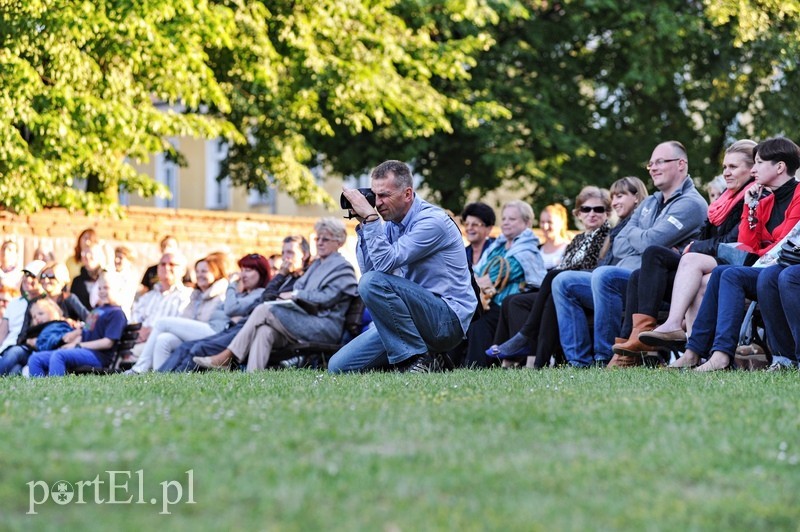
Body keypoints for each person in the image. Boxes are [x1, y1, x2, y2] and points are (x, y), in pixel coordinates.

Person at [551, 141, 708, 367]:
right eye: (650, 164)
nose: (653, 168)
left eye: (660, 162)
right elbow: (620, 245)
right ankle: (578, 361)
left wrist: (640, 235)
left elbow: (652, 243)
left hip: (659, 286)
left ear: (681, 164)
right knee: (562, 281)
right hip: (629, 274)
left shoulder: (691, 203)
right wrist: (644, 236)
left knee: (604, 275)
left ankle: (605, 356)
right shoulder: (650, 202)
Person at [613, 139, 757, 366]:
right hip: (708, 259)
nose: (726, 173)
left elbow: (733, 242)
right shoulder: (723, 201)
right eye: (724, 167)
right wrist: (695, 246)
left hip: (735, 261)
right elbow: (618, 245)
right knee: (639, 275)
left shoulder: (751, 198)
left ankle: (671, 330)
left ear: (752, 169)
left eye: (733, 167)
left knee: (654, 253)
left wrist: (692, 247)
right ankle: (631, 346)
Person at [328, 160, 477, 373]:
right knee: (339, 367)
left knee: (371, 283)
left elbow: (383, 266)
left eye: (384, 195)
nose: (377, 203)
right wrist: (363, 225)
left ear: (407, 194)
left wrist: (371, 221)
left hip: (447, 321)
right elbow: (371, 271)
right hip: (410, 319)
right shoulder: (389, 225)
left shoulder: (432, 221)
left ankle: (417, 359)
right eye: (374, 195)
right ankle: (432, 359)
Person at [671, 136, 800, 371]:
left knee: (756, 275)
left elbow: (785, 241)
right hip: (766, 265)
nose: (754, 169)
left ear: (780, 167)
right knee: (724, 273)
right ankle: (702, 352)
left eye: (759, 162)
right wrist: (750, 209)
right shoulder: (765, 200)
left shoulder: (798, 195)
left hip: (781, 265)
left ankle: (782, 357)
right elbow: (747, 244)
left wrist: (761, 253)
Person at [193, 218, 358, 371]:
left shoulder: (343, 267)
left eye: (325, 239)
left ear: (339, 241)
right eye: (317, 239)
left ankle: (227, 357)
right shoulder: (316, 265)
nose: (320, 243)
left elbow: (326, 298)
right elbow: (299, 289)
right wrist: (290, 294)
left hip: (323, 326)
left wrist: (295, 294)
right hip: (303, 319)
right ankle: (253, 379)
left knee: (264, 310)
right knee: (265, 330)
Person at [486, 185, 617, 367]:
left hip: (585, 290)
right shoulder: (578, 239)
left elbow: (595, 271)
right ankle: (503, 358)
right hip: (560, 286)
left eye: (598, 209)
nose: (592, 213)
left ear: (607, 213)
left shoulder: (607, 236)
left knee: (552, 285)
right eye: (586, 209)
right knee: (513, 301)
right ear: (578, 214)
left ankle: (536, 359)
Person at [158, 239, 308, 373]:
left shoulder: (272, 286)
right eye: (283, 252)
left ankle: (171, 379)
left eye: (248, 270)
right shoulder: (277, 282)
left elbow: (242, 306)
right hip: (236, 329)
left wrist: (232, 284)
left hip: (266, 329)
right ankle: (163, 378)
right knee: (185, 346)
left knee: (196, 347)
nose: (243, 275)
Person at [461, 200, 546, 368]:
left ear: (527, 223)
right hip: (491, 303)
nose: (506, 222)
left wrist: (479, 281)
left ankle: (476, 366)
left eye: (512, 219)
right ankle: (454, 364)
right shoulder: (498, 247)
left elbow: (491, 276)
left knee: (478, 322)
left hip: (509, 305)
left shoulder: (526, 250)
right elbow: (480, 275)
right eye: (504, 218)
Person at [126, 253, 231, 374]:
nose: (200, 275)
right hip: (195, 334)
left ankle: (139, 368)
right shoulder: (197, 295)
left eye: (204, 271)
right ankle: (160, 377)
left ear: (216, 273)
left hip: (214, 334)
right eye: (197, 271)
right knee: (163, 339)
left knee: (162, 323)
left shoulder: (222, 292)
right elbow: (186, 318)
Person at [28, 272, 127, 377]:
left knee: (59, 356)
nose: (102, 291)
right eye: (99, 288)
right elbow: (85, 332)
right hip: (82, 351)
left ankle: (55, 391)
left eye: (106, 288)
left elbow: (107, 343)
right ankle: (41, 391)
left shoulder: (116, 313)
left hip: (98, 356)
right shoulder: (96, 311)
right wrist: (70, 344)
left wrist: (78, 346)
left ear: (118, 290)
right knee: (35, 359)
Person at [128, 251, 192, 359]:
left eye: (172, 264)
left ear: (183, 270)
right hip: (137, 341)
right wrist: (138, 331)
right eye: (162, 264)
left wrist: (152, 331)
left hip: (163, 345)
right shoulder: (148, 297)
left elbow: (182, 325)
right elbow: (133, 319)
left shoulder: (188, 296)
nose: (166, 267)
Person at [0, 261, 47, 376]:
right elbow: (2, 332)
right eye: (26, 275)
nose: (27, 279)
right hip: (7, 349)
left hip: (28, 349)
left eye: (32, 276)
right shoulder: (14, 302)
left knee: (15, 352)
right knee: (15, 371)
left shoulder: (45, 304)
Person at [38, 261, 89, 326]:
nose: (46, 280)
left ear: (61, 279)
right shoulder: (37, 301)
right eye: (43, 276)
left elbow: (89, 319)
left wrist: (75, 325)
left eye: (51, 276)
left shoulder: (69, 299)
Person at [70, 242, 106, 310]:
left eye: (91, 252)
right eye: (84, 253)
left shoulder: (107, 277)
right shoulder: (77, 281)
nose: (87, 256)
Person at [461, 202, 496, 267]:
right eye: (467, 224)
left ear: (489, 228)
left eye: (475, 224)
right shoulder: (463, 254)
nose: (469, 228)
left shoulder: (495, 251)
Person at [538, 204, 571, 270]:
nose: (545, 226)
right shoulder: (537, 250)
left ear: (561, 223)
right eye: (542, 222)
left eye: (550, 222)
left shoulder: (570, 249)